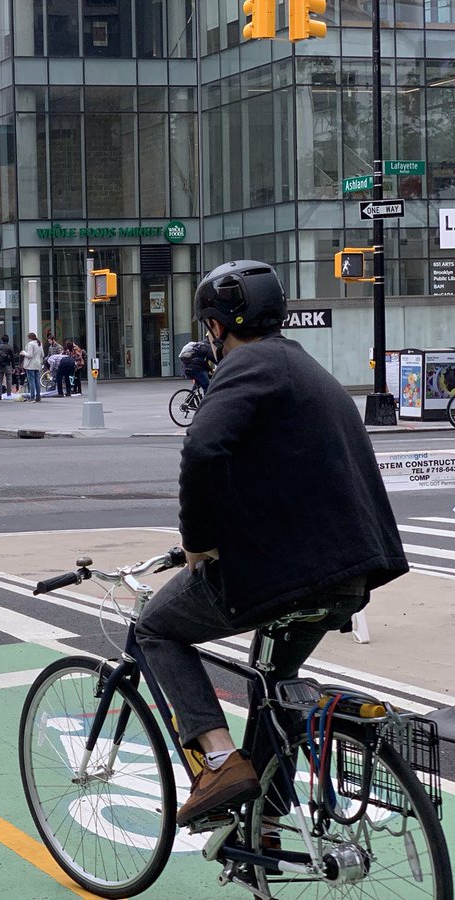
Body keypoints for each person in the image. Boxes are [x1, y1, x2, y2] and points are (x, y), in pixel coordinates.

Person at [134, 260, 408, 828]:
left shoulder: (247, 363)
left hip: (289, 573)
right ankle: (266, 829)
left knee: (155, 627)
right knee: (274, 688)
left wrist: (199, 544)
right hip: (351, 574)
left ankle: (216, 760)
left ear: (216, 327)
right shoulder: (303, 367)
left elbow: (203, 450)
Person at [21, 332, 43, 402]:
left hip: (30, 365)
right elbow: (42, 354)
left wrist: (23, 353)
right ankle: (38, 397)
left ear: (30, 338)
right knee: (37, 381)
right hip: (37, 364)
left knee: (31, 381)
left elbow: (30, 355)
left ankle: (32, 397)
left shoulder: (30, 344)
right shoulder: (39, 343)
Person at [0, 335, 15, 399]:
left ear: (2, 340)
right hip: (7, 365)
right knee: (8, 380)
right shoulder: (10, 347)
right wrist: (13, 367)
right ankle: (8, 394)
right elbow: (13, 358)